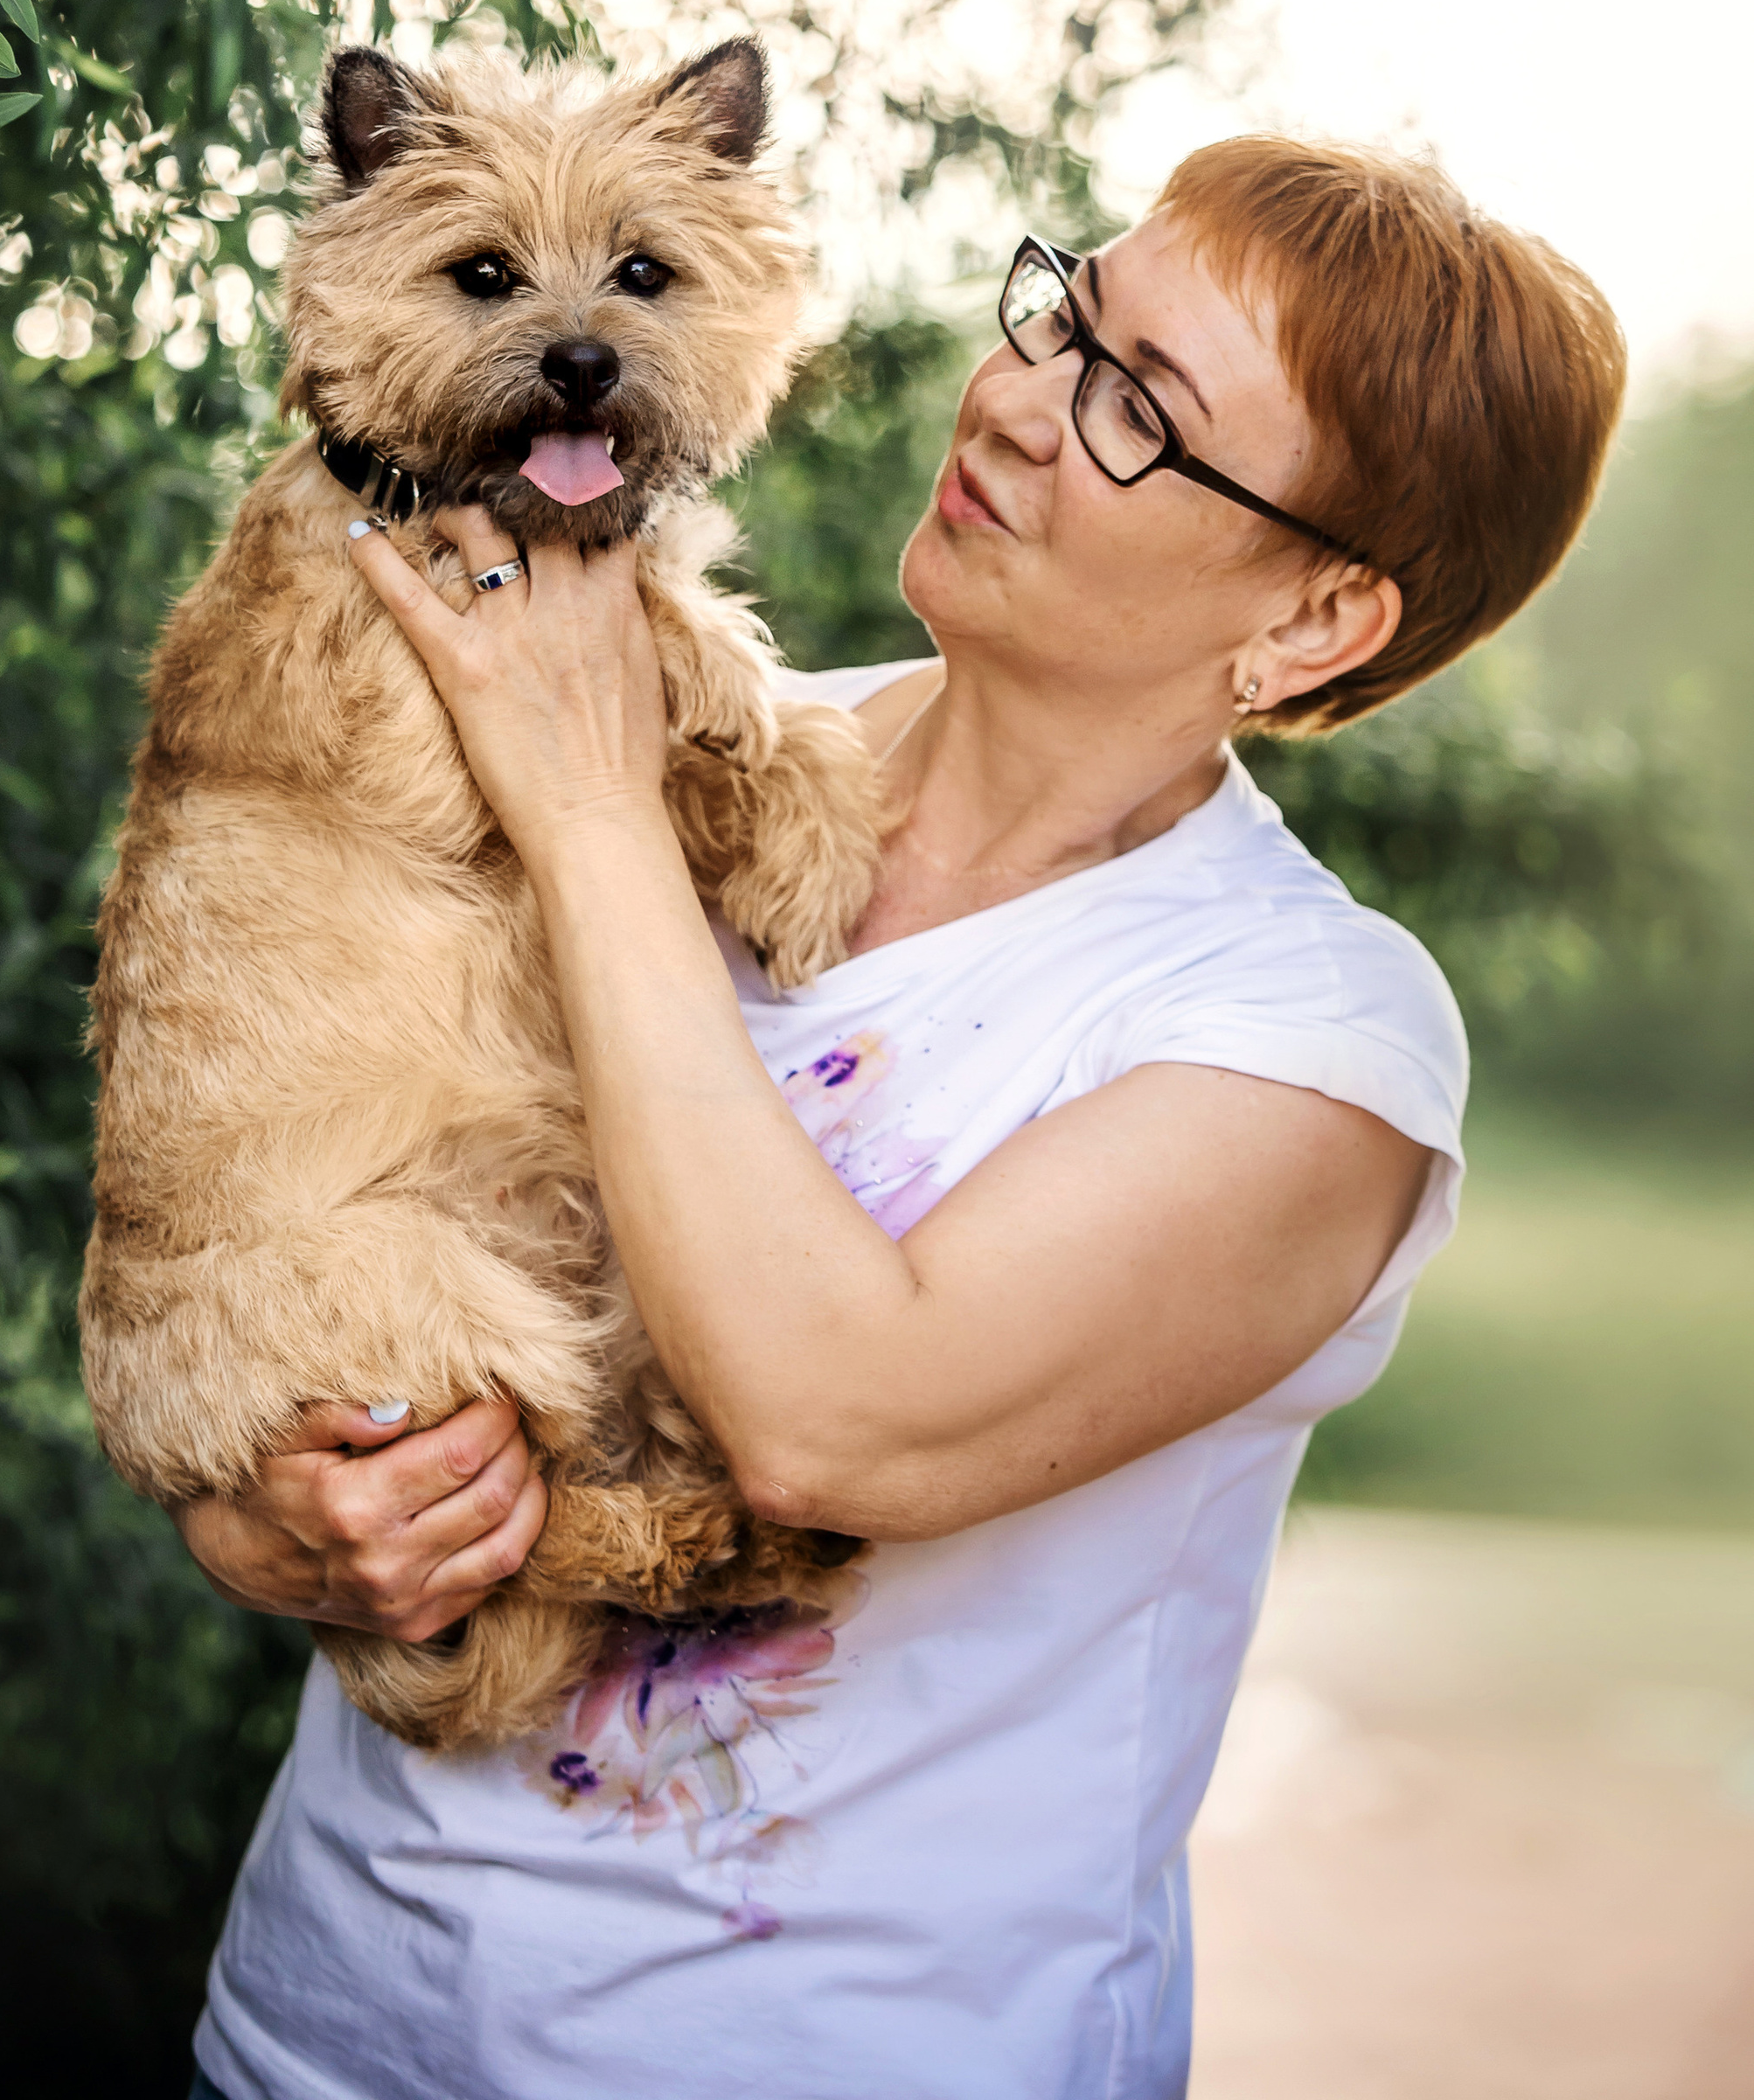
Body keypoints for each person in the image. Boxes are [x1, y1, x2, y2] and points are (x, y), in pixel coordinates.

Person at [173, 135, 1625, 2100]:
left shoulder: (1309, 1037)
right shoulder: (662, 727)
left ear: (1310, 627)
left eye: (1137, 411)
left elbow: (824, 1415)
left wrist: (587, 810)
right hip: (313, 2040)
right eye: (1063, 314)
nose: (1018, 403)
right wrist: (270, 1520)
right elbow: (271, 1183)